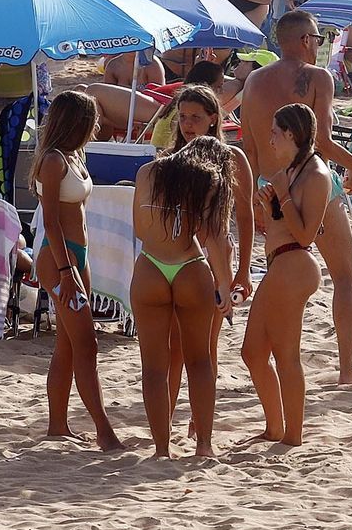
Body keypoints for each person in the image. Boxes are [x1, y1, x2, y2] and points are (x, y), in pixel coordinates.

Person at [240, 11, 352, 384]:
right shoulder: (318, 78)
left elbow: (250, 147)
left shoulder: (253, 80)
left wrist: (255, 195)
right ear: (304, 41)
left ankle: (276, 365)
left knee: (282, 283)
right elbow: (322, 142)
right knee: (345, 276)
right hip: (310, 180)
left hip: (269, 185)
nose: (320, 46)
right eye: (319, 40)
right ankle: (347, 369)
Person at [156, 84, 255, 419]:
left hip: (214, 261)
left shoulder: (232, 158)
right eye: (182, 116)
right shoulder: (169, 160)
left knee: (205, 350)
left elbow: (245, 216)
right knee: (173, 351)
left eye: (195, 117)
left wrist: (242, 270)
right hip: (176, 258)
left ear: (214, 119)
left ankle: (200, 426)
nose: (187, 124)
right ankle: (166, 422)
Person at [131, 138, 233, 458]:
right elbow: (214, 238)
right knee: (200, 361)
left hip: (150, 267)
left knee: (154, 367)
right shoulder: (208, 180)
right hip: (190, 266)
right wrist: (225, 286)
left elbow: (139, 230)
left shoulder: (147, 172)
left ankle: (162, 448)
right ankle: (204, 444)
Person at [31, 91, 121, 449]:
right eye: (92, 119)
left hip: (74, 257)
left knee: (68, 345)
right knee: (87, 344)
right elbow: (50, 221)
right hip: (58, 259)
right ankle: (104, 431)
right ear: (78, 122)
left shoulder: (72, 156)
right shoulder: (54, 161)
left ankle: (58, 426)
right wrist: (67, 271)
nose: (96, 125)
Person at [243, 103, 330, 445]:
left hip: (295, 265)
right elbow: (283, 227)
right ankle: (276, 427)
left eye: (276, 133)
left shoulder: (316, 174)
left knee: (285, 355)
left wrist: (280, 195)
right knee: (252, 352)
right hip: (281, 262)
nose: (271, 140)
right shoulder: (293, 171)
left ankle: (292, 434)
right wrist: (269, 207)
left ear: (292, 135)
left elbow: (308, 234)